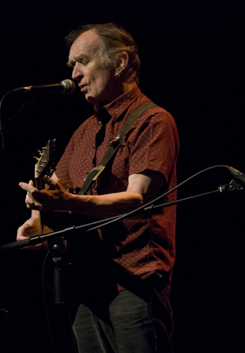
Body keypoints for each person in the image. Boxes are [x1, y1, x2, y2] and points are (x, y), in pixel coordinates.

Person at [16, 23, 179, 353]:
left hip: (132, 282)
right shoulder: (82, 132)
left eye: (83, 61)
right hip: (86, 286)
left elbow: (138, 198)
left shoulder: (152, 120)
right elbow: (61, 200)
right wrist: (37, 224)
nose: (74, 74)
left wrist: (69, 201)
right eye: (71, 65)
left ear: (119, 62)